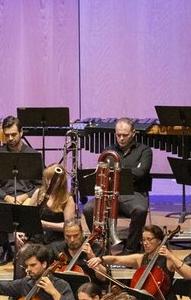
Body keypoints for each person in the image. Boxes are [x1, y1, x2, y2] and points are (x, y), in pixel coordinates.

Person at [81, 118, 152, 253]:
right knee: (88, 209)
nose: (121, 138)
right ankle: (101, 245)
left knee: (140, 210)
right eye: (118, 135)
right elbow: (102, 172)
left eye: (125, 135)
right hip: (109, 193)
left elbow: (142, 172)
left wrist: (116, 170)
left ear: (133, 133)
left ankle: (130, 249)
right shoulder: (108, 150)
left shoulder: (144, 151)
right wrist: (131, 171)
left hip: (133, 193)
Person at [0, 116, 40, 264]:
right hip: (7, 198)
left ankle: (26, 249)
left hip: (27, 198)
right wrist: (7, 198)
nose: (10, 138)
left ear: (21, 132)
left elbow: (40, 185)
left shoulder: (32, 155)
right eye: (7, 135)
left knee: (33, 206)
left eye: (14, 134)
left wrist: (24, 197)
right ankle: (6, 249)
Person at [20, 165, 74, 247]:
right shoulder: (38, 193)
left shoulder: (67, 199)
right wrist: (20, 232)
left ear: (62, 180)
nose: (49, 182)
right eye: (47, 178)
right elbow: (28, 218)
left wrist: (45, 224)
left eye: (53, 179)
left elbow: (69, 227)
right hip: (37, 237)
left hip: (56, 239)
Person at [50, 218, 110, 286]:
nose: (72, 240)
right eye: (68, 236)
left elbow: (103, 278)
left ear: (82, 232)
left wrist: (92, 256)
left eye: (76, 235)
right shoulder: (56, 248)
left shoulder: (95, 248)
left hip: (89, 290)